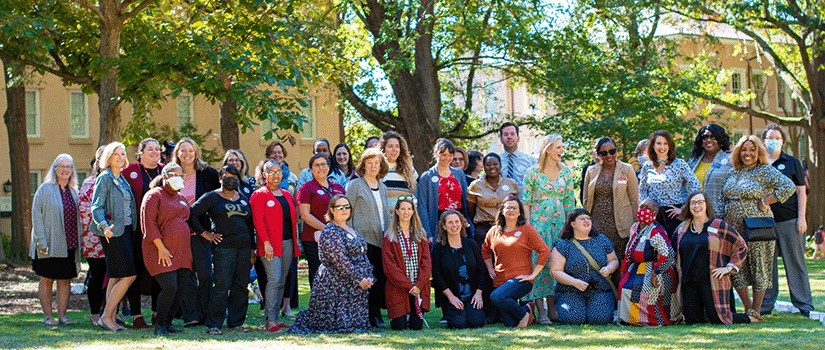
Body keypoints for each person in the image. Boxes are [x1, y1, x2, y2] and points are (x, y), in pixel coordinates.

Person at [720, 135, 795, 321]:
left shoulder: (765, 171)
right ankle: (747, 309)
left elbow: (789, 186)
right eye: (744, 150)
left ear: (758, 152)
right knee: (738, 265)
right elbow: (724, 197)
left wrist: (765, 201)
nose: (748, 153)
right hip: (733, 227)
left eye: (752, 150)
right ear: (738, 152)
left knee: (759, 264)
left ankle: (756, 309)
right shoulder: (733, 172)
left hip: (757, 225)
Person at [290, 195, 375, 333]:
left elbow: (362, 255)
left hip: (356, 281)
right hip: (335, 283)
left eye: (347, 207)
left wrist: (368, 277)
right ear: (331, 210)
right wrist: (359, 279)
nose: (344, 210)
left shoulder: (352, 229)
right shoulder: (330, 231)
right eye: (339, 207)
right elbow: (339, 260)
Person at [188, 164, 255, 335]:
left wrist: (252, 250)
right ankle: (214, 324)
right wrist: (205, 233)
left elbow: (250, 224)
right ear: (220, 178)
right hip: (224, 249)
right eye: (226, 175)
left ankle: (236, 322)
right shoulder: (211, 197)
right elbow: (192, 214)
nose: (231, 179)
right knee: (221, 286)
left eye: (234, 176)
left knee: (240, 286)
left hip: (244, 248)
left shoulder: (244, 198)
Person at [674, 191, 757, 324]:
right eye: (693, 203)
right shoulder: (681, 229)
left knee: (718, 319)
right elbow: (673, 252)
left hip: (712, 280)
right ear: (688, 206)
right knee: (692, 322)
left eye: (700, 202)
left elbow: (741, 246)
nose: (697, 206)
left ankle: (751, 317)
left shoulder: (718, 225)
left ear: (707, 205)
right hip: (688, 281)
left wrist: (729, 268)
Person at [521, 134, 576, 323]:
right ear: (548, 149)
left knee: (556, 264)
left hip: (559, 225)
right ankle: (540, 310)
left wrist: (570, 229)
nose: (562, 151)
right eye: (559, 147)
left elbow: (570, 203)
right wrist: (528, 228)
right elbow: (526, 202)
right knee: (539, 264)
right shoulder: (532, 173)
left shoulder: (566, 172)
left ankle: (553, 307)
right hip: (538, 226)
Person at [760, 124, 814, 317]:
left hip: (790, 221)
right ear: (764, 140)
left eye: (777, 138)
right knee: (767, 266)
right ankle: (765, 305)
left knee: (795, 263)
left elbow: (801, 191)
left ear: (783, 141)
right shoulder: (759, 163)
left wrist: (802, 218)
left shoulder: (792, 163)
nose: (773, 141)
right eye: (770, 138)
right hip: (763, 223)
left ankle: (804, 304)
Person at [171, 137, 221, 328]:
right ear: (177, 153)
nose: (187, 154)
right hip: (179, 233)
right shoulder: (172, 173)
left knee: (206, 274)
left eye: (190, 150)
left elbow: (218, 199)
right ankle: (191, 315)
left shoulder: (207, 174)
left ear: (196, 152)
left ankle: (207, 313)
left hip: (202, 233)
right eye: (183, 150)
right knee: (186, 275)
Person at [482, 196, 551, 328]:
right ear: (502, 211)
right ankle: (528, 309)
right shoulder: (494, 231)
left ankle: (524, 316)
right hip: (501, 281)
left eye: (515, 208)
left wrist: (533, 275)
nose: (511, 210)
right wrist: (490, 269)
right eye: (508, 207)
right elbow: (485, 251)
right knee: (510, 324)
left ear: (520, 212)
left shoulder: (527, 230)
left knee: (496, 297)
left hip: (521, 280)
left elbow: (544, 251)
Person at [30, 154, 83, 327]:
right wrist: (41, 242)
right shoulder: (45, 189)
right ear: (55, 169)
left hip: (69, 244)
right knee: (46, 279)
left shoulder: (74, 192)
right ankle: (47, 316)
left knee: (65, 280)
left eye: (69, 167)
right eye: (62, 166)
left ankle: (62, 316)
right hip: (48, 244)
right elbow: (36, 215)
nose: (65, 170)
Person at [140, 163, 193, 336]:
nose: (179, 177)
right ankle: (160, 325)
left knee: (180, 288)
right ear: (165, 176)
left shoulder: (181, 198)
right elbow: (149, 224)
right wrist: (161, 248)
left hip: (183, 251)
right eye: (174, 174)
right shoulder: (154, 196)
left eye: (181, 174)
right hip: (160, 250)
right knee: (170, 286)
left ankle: (168, 323)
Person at [91, 142, 139, 331]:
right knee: (128, 276)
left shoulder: (121, 178)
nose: (120, 157)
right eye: (116, 154)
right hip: (112, 232)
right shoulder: (105, 178)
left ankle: (109, 317)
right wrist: (103, 226)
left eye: (122, 153)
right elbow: (96, 207)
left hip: (125, 231)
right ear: (108, 158)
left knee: (114, 277)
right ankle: (106, 317)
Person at [466, 152, 519, 322]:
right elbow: (471, 210)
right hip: (484, 230)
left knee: (505, 268)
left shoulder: (511, 184)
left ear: (500, 165)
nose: (492, 167)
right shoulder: (475, 186)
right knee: (486, 269)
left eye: (495, 164)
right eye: (488, 164)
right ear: (484, 166)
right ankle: (489, 311)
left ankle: (505, 309)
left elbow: (515, 207)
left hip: (506, 229)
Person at [251, 160, 302, 332]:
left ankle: (277, 318)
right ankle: (270, 320)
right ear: (264, 175)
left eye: (278, 171)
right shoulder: (259, 195)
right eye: (271, 172)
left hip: (288, 243)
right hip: (269, 245)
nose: (275, 175)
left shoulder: (287, 195)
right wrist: (266, 243)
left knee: (282, 280)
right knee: (273, 280)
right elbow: (258, 222)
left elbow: (292, 220)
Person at [346, 148, 392, 329]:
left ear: (381, 166)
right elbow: (347, 212)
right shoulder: (355, 184)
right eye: (369, 162)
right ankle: (363, 315)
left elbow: (384, 213)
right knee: (364, 279)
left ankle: (375, 314)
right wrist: (349, 236)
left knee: (378, 278)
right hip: (362, 241)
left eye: (377, 163)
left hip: (381, 239)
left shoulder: (383, 186)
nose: (373, 166)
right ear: (363, 164)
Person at [122, 137, 164, 328]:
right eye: (150, 149)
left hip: (161, 229)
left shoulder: (165, 170)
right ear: (141, 153)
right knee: (136, 271)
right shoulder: (130, 171)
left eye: (157, 149)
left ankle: (157, 312)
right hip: (137, 230)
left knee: (159, 269)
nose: (154, 152)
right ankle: (136, 315)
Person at [550, 209, 618, 325]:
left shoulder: (601, 240)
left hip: (599, 289)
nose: (586, 221)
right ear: (572, 224)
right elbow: (555, 271)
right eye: (582, 219)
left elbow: (614, 260)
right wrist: (575, 282)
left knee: (600, 319)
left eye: (588, 218)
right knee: (572, 319)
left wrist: (609, 269)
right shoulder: (563, 245)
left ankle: (592, 310)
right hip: (570, 290)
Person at [617, 199, 678, 326]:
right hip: (636, 268)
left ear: (655, 212)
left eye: (647, 208)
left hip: (654, 268)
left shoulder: (656, 230)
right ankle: (629, 318)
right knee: (626, 286)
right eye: (641, 207)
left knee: (642, 288)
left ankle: (648, 319)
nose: (643, 210)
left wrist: (657, 272)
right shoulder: (635, 227)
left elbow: (669, 253)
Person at [639, 130, 701, 239]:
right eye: (658, 143)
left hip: (674, 214)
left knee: (674, 250)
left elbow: (696, 185)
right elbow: (642, 190)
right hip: (654, 215)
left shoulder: (679, 164)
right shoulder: (647, 166)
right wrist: (646, 207)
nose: (662, 147)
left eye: (665, 143)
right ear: (653, 146)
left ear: (670, 146)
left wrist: (684, 209)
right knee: (655, 250)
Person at [298, 153, 346, 290]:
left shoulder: (338, 188)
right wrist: (327, 230)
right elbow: (305, 215)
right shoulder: (306, 188)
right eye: (316, 165)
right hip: (314, 239)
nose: (321, 167)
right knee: (318, 274)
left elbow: (345, 212)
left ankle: (334, 308)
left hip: (337, 238)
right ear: (311, 170)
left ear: (329, 167)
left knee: (336, 274)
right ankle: (318, 308)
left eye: (323, 164)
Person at [382, 198, 432, 330]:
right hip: (399, 287)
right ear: (397, 211)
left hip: (418, 286)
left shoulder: (421, 233)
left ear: (413, 211)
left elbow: (426, 262)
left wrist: (419, 285)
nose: (406, 212)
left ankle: (413, 314)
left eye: (409, 209)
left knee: (416, 327)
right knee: (400, 326)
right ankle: (401, 316)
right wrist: (408, 285)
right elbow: (390, 267)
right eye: (403, 209)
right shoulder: (390, 236)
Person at [432, 210, 485, 329]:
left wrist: (478, 293)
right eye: (450, 222)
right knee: (458, 323)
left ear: (461, 224)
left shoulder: (471, 244)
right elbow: (437, 275)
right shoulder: (438, 248)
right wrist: (450, 297)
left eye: (457, 221)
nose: (454, 225)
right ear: (444, 226)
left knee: (476, 322)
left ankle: (470, 311)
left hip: (472, 296)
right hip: (452, 297)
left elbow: (481, 270)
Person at [417, 139, 475, 242]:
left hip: (458, 222)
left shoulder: (459, 174)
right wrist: (428, 233)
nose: (447, 158)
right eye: (443, 154)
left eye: (450, 154)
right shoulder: (427, 177)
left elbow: (466, 200)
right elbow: (422, 206)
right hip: (438, 222)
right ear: (436, 154)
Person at [78, 147, 107, 325]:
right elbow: (86, 212)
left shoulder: (119, 181)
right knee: (97, 276)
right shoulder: (90, 183)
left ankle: (112, 312)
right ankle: (95, 314)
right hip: (94, 239)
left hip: (117, 237)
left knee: (114, 276)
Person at [687, 124, 733, 218]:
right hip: (694, 214)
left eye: (713, 137)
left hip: (718, 215)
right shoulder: (693, 161)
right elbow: (683, 186)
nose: (708, 140)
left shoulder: (729, 160)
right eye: (705, 137)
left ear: (720, 140)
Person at [379, 131, 418, 209]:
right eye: (390, 146)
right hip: (383, 219)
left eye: (397, 146)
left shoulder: (409, 170)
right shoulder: (377, 169)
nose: (394, 149)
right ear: (383, 149)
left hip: (404, 219)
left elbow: (418, 195)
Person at [498, 122, 537, 192]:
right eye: (506, 134)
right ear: (501, 140)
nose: (509, 137)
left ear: (518, 138)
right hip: (501, 201)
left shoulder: (531, 161)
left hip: (524, 201)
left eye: (512, 134)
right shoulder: (495, 162)